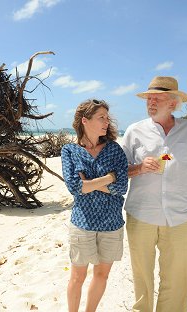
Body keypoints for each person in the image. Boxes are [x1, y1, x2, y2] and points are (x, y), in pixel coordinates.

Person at [121, 76, 187, 312]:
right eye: (149, 98)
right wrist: (138, 168)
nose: (151, 102)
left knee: (177, 278)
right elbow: (118, 170)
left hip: (181, 216)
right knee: (142, 277)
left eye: (157, 98)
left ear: (173, 103)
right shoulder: (134, 131)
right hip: (141, 214)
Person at [61, 99, 128, 312]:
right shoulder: (69, 151)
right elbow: (74, 187)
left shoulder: (114, 149)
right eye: (101, 118)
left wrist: (89, 183)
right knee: (77, 276)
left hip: (112, 223)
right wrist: (109, 177)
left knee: (102, 274)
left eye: (107, 118)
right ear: (85, 120)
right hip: (82, 223)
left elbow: (122, 187)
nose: (106, 122)